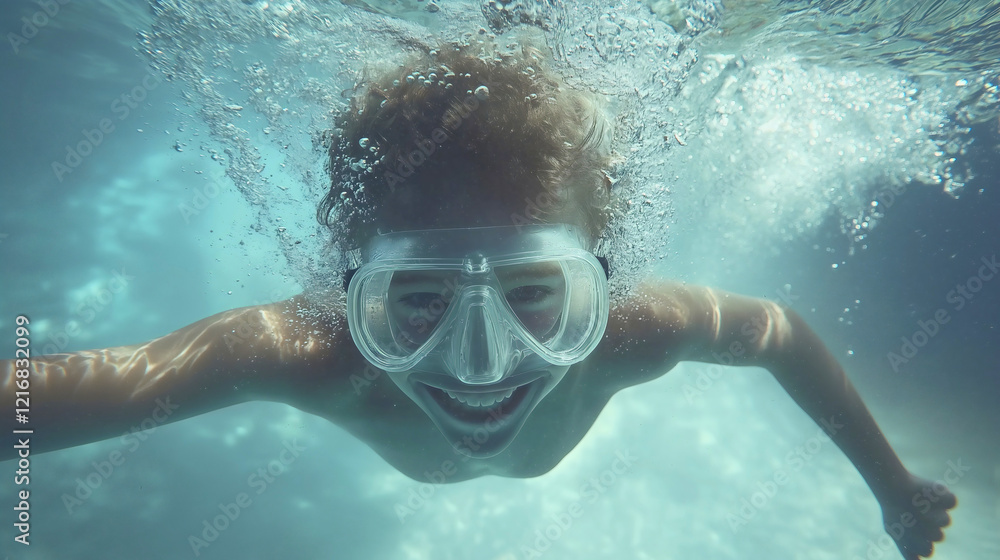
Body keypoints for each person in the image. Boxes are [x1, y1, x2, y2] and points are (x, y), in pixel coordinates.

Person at [2, 38, 954, 559]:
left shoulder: (636, 331)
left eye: (538, 294)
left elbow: (780, 336)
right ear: (348, 299)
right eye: (412, 301)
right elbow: (58, 396)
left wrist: (894, 490)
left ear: (604, 285)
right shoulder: (309, 351)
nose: (480, 363)